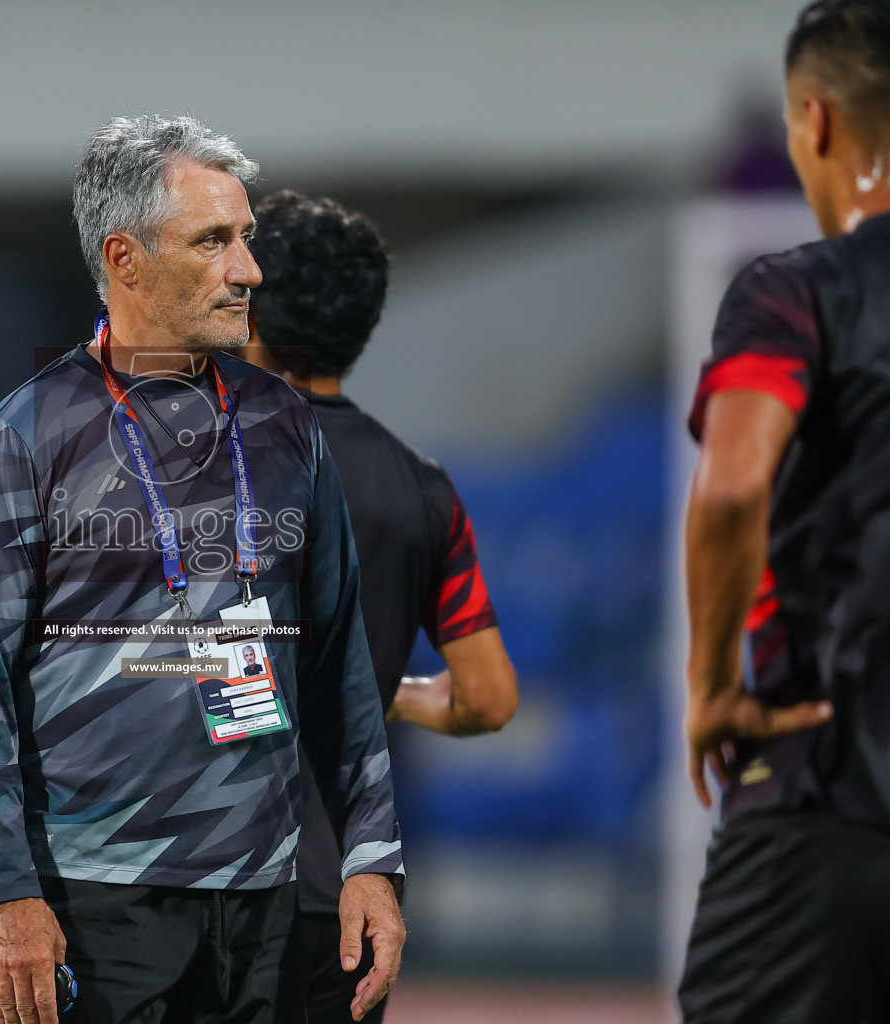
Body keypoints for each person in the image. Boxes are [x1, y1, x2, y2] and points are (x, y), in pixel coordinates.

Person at [0, 115, 405, 1024]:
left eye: (247, 238)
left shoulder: (285, 426)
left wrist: (371, 858)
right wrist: (6, 895)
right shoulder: (23, 438)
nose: (249, 270)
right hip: (93, 901)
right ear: (127, 259)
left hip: (262, 899)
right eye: (213, 241)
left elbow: (342, 660)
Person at [677, 2, 890, 1020]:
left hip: (827, 785)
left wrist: (712, 688)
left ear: (817, 123)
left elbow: (736, 484)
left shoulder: (795, 293)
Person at [241, 190, 518, 1024]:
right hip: (346, 902)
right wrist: (383, 688)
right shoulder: (422, 489)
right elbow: (489, 697)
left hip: (195, 888)